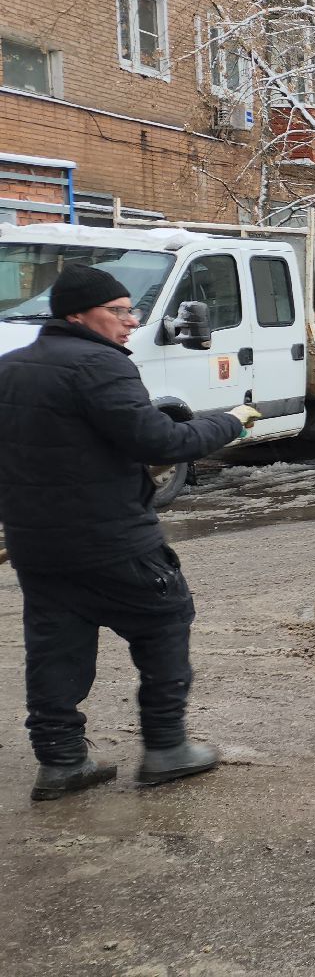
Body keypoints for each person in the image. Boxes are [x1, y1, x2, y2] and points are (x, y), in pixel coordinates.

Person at [0, 265, 259, 801]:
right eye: (118, 312)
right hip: (112, 539)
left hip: (39, 545)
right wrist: (231, 420)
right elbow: (158, 442)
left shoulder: (10, 367)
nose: (131, 321)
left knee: (55, 646)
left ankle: (62, 761)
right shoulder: (100, 365)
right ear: (77, 314)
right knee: (165, 620)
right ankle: (166, 748)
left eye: (129, 310)